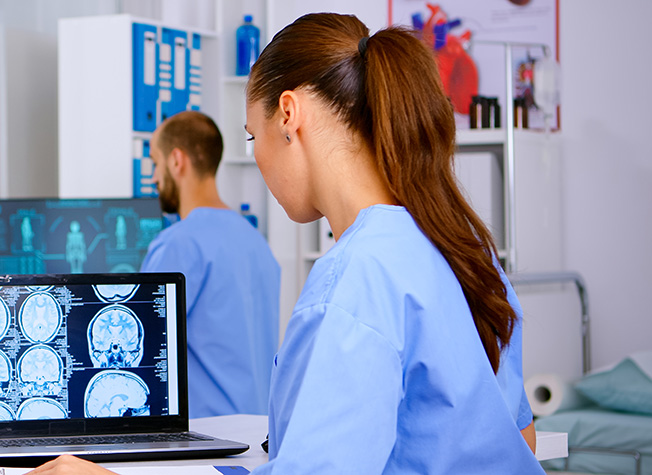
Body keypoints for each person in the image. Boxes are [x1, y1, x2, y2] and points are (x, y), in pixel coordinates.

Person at [29, 13, 542, 474]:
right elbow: (519, 437)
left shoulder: (357, 277)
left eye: (254, 137)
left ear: (290, 114)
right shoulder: (461, 241)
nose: (257, 158)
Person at [139, 110, 281, 418]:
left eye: (155, 163)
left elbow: (142, 349)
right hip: (260, 428)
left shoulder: (179, 244)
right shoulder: (255, 240)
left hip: (210, 435)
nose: (153, 177)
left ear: (177, 161)